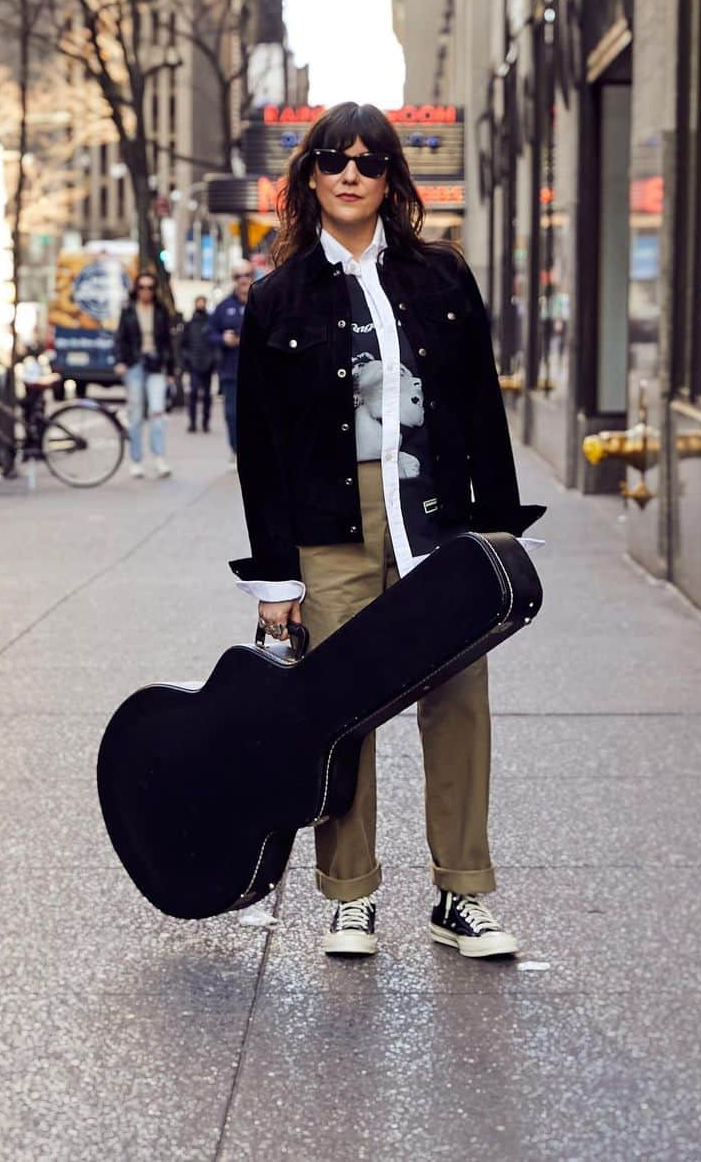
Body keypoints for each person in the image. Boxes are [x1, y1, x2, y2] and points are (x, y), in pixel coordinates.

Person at [229, 102, 545, 960]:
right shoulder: (279, 296)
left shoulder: (443, 277)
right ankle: (350, 896)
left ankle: (462, 894)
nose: (351, 175)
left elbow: (482, 409)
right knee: (339, 708)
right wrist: (275, 580)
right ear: (310, 175)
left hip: (436, 514)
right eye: (334, 159)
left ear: (391, 177)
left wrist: (500, 533)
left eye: (370, 162)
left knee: (457, 701)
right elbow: (257, 447)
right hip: (330, 522)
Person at [114, 272, 174, 480]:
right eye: (142, 287)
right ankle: (136, 460)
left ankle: (159, 458)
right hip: (135, 364)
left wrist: (171, 370)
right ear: (136, 289)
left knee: (157, 412)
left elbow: (168, 341)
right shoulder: (128, 311)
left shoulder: (160, 311)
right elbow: (120, 338)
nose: (146, 291)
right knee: (136, 414)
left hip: (156, 364)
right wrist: (120, 361)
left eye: (149, 287)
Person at [208, 262, 254, 466]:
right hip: (231, 370)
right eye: (238, 276)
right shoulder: (224, 306)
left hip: (259, 371)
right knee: (232, 414)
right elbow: (208, 334)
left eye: (247, 275)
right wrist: (223, 338)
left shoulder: (263, 301)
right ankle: (236, 451)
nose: (243, 280)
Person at [180, 295, 216, 433]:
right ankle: (192, 422)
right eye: (198, 303)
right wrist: (187, 360)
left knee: (207, 395)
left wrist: (213, 360)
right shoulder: (189, 325)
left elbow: (214, 344)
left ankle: (205, 422)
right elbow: (183, 345)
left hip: (207, 365)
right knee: (193, 393)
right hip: (194, 365)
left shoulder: (211, 323)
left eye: (203, 303)